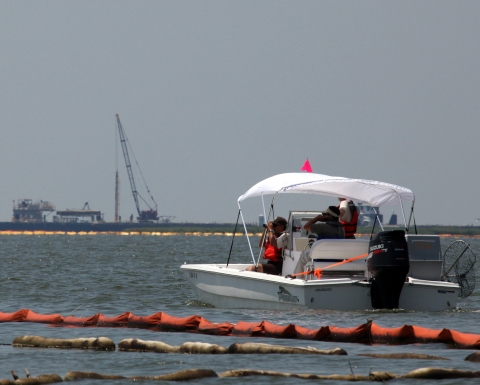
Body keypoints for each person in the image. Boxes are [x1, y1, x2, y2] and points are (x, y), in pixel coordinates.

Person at [293, 206, 345, 276]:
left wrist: (316, 219)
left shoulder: (323, 227)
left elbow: (306, 227)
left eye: (325, 215)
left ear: (329, 216)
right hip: (336, 259)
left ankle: (298, 277)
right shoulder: (342, 230)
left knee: (303, 255)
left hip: (321, 258)